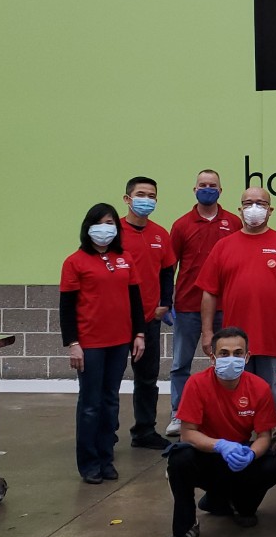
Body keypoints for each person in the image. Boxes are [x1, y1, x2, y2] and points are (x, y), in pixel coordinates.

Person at [163, 326, 276, 537]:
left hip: (239, 456)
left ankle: (233, 504)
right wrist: (220, 445)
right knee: (179, 459)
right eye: (224, 353)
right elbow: (187, 433)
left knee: (272, 465)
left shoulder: (259, 387)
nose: (231, 359)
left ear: (247, 357)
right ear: (212, 358)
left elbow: (264, 436)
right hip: (207, 454)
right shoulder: (197, 384)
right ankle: (185, 527)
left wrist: (251, 454)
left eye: (238, 353)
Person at [197, 186, 276, 407]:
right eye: (248, 203)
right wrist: (207, 332)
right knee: (236, 394)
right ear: (240, 209)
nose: (254, 208)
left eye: (260, 203)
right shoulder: (223, 246)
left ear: (270, 210)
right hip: (234, 344)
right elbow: (209, 293)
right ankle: (239, 437)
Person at [59, 204, 146, 484]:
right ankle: (89, 463)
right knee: (90, 404)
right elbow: (67, 308)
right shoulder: (74, 262)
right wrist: (73, 343)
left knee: (110, 402)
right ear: (88, 226)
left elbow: (135, 300)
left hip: (120, 342)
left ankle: (107, 459)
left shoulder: (125, 259)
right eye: (99, 222)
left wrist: (139, 334)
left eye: (110, 222)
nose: (105, 227)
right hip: (90, 344)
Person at [167, 169, 241, 437]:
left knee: (225, 362)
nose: (207, 188)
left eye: (212, 185)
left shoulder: (233, 222)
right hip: (187, 306)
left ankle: (224, 413)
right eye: (202, 185)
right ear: (194, 189)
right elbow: (169, 265)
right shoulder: (181, 225)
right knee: (180, 364)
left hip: (224, 307)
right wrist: (167, 300)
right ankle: (178, 413)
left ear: (220, 191)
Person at [119, 176, 176, 450]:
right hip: (117, 321)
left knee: (147, 379)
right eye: (141, 194)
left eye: (151, 195)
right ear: (127, 199)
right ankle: (106, 434)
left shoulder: (160, 234)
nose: (147, 199)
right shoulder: (113, 231)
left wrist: (165, 302)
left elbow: (168, 271)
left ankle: (144, 430)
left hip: (150, 318)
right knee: (110, 380)